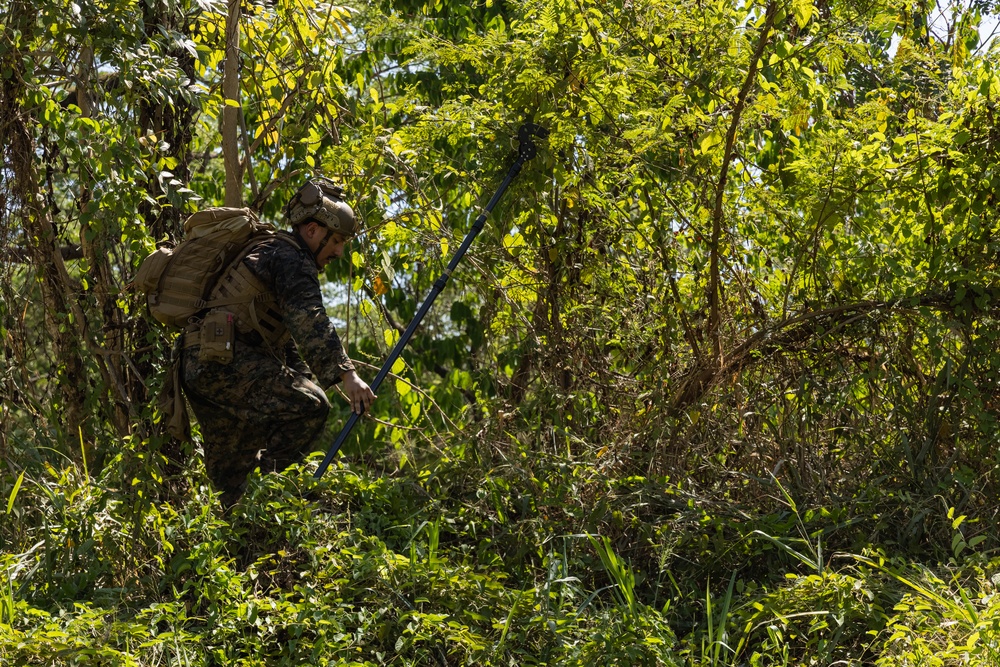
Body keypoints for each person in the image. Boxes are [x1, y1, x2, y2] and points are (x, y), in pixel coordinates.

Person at [180, 179, 376, 506]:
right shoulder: (290, 256)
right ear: (312, 230)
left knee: (231, 478)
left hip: (201, 365)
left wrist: (309, 380)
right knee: (310, 406)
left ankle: (243, 538)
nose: (340, 252)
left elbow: (283, 343)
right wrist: (348, 376)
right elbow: (307, 318)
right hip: (225, 363)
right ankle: (273, 495)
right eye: (338, 241)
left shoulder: (272, 250)